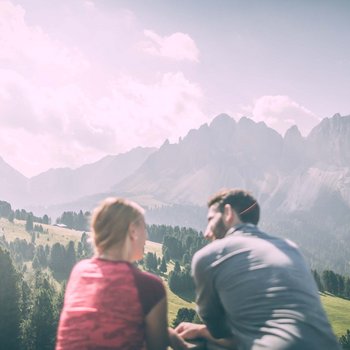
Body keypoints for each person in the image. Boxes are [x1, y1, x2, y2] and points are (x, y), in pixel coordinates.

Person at [174, 189, 340, 350]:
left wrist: (202, 330)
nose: (206, 232)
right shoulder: (291, 249)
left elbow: (219, 332)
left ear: (228, 212)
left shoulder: (209, 256)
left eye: (210, 219)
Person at [56, 197, 169, 350]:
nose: (147, 236)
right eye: (145, 228)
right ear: (133, 231)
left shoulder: (79, 272)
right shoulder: (150, 287)